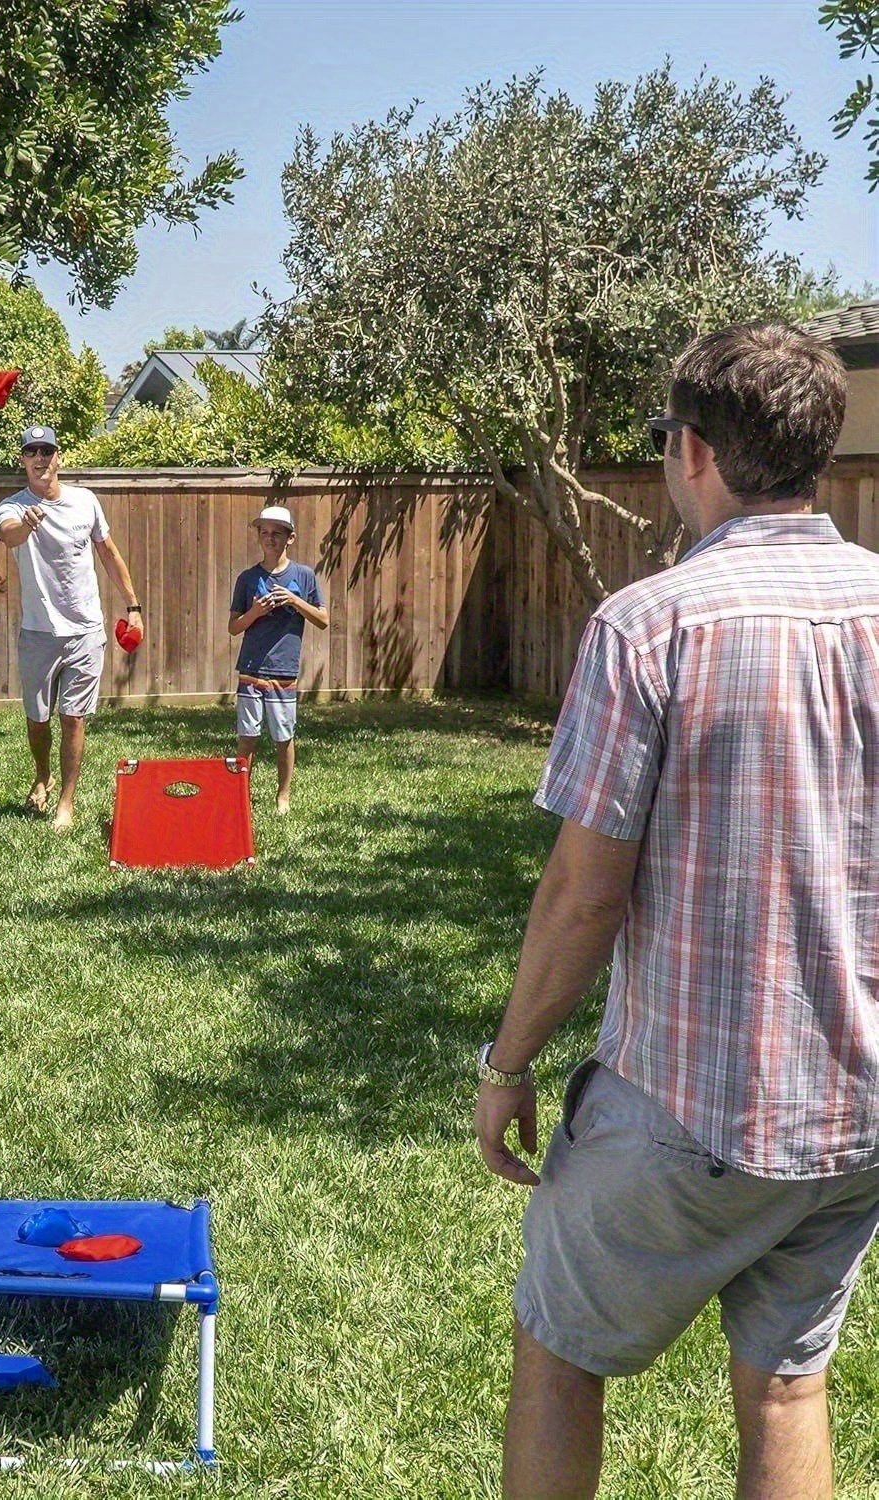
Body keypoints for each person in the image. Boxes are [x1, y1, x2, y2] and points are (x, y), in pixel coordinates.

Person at [474, 322, 879, 1500]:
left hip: (688, 1107)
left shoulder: (652, 623)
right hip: (855, 1113)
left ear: (692, 450)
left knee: (557, 1347)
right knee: (791, 1386)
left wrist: (509, 1062)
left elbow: (583, 890)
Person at [0, 424, 142, 831]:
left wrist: (133, 605)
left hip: (85, 630)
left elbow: (108, 553)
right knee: (37, 718)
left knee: (73, 718)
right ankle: (42, 774)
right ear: (23, 461)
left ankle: (65, 801)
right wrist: (28, 523)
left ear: (59, 457)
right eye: (32, 452)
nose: (40, 459)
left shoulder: (85, 501)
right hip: (38, 633)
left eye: (47, 451)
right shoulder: (12, 507)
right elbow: (9, 537)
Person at [227, 504, 328, 814]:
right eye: (264, 532)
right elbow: (233, 628)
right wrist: (256, 612)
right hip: (251, 669)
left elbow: (323, 619)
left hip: (284, 671)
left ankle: (282, 796)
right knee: (248, 737)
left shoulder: (304, 575)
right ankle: (241, 795)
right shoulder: (247, 578)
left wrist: (294, 600)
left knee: (283, 737)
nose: (269, 538)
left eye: (276, 533)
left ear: (290, 538)